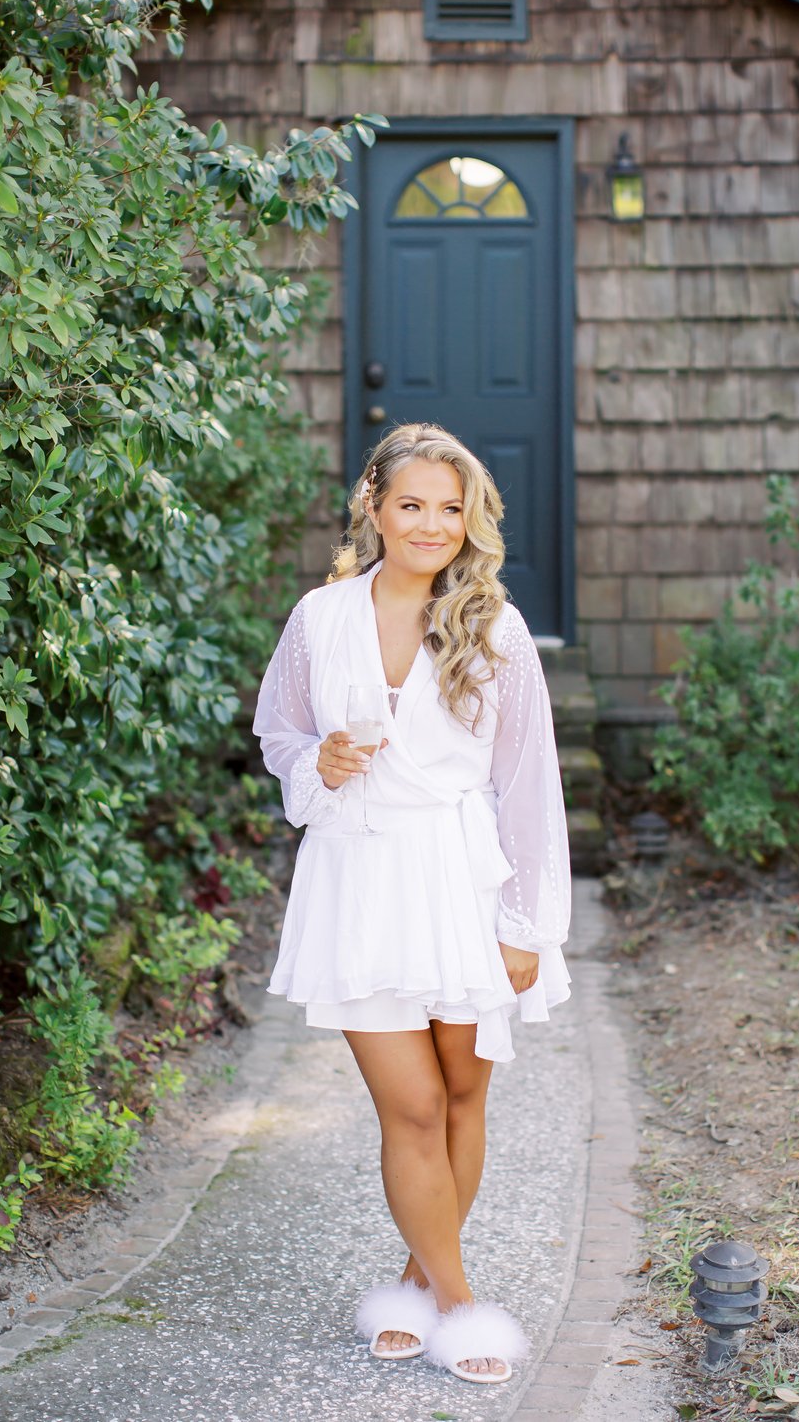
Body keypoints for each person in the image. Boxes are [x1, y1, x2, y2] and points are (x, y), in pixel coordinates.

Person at [252, 422, 572, 1386]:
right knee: (413, 1106)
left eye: (449, 506)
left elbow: (528, 784)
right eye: (412, 505)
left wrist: (529, 926)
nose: (432, 524)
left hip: (464, 884)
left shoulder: (495, 625)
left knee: (464, 1096)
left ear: (469, 517)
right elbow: (279, 731)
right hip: (360, 882)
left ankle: (417, 1283)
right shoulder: (319, 619)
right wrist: (322, 762)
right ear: (375, 508)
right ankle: (465, 1306)